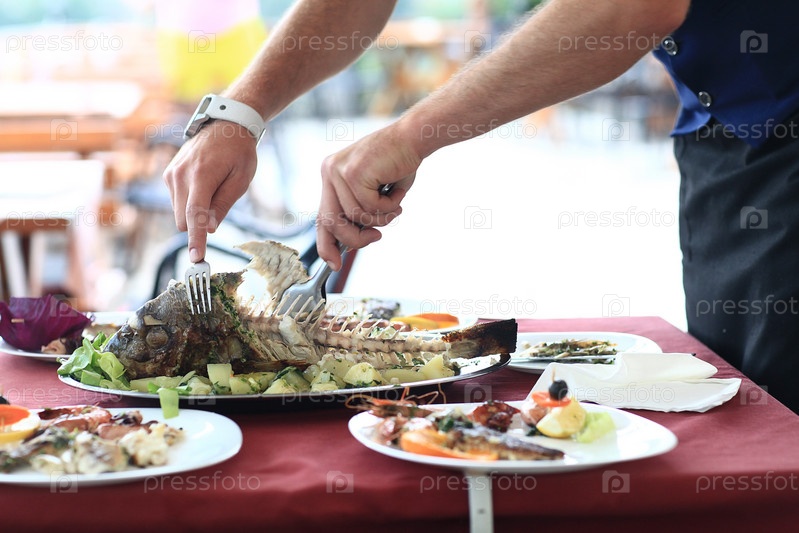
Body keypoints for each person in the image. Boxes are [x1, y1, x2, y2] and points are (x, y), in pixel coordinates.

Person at [163, 0, 799, 413]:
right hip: (725, 139)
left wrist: (412, 135)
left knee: (771, 430)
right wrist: (238, 114)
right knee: (741, 402)